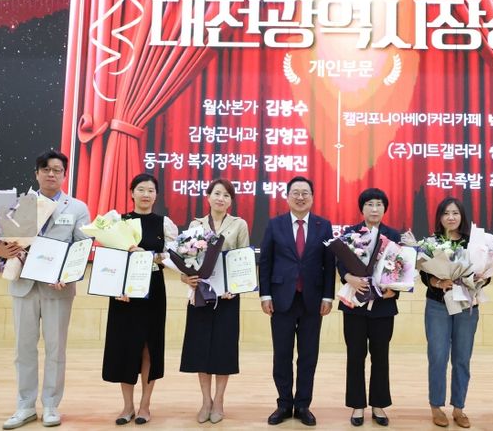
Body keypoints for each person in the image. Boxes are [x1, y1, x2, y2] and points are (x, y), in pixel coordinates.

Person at [0, 150, 90, 429]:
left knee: (56, 349)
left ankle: (50, 405)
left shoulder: (77, 208)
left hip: (58, 288)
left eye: (57, 170)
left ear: (64, 175)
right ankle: (24, 406)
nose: (51, 174)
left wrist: (67, 274)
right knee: (23, 349)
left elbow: (81, 247)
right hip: (24, 285)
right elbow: (1, 246)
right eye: (45, 169)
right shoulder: (18, 204)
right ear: (36, 173)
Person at [259, 176, 336, 426]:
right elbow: (266, 262)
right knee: (282, 354)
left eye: (305, 193)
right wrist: (265, 294)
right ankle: (284, 404)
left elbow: (329, 264)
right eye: (296, 193)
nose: (300, 197)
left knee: (308, 355)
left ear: (312, 197)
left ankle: (303, 405)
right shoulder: (275, 224)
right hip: (281, 299)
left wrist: (328, 296)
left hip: (312, 300)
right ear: (287, 196)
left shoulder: (323, 225)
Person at [101, 173, 177, 426]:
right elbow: (111, 260)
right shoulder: (118, 223)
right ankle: (127, 406)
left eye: (151, 190)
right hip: (123, 293)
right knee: (125, 346)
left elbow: (172, 258)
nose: (146, 194)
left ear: (156, 195)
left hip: (153, 291)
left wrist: (150, 256)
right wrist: (117, 287)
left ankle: (145, 405)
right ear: (131, 192)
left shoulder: (164, 223)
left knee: (149, 346)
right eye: (141, 189)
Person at [179, 179, 249, 424]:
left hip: (227, 297)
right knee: (200, 348)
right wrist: (186, 278)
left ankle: (219, 400)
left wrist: (235, 288)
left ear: (231, 201)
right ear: (208, 197)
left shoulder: (239, 224)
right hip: (200, 296)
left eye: (226, 195)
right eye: (217, 193)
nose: (221, 198)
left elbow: (243, 260)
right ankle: (205, 400)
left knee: (223, 349)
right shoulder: (195, 225)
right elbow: (187, 262)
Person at [337, 188, 400, 427]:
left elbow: (401, 267)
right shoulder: (350, 233)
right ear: (362, 208)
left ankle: (378, 404)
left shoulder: (393, 235)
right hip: (355, 304)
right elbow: (340, 263)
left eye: (379, 204)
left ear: (385, 209)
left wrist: (394, 289)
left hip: (383, 305)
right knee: (355, 355)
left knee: (380, 355)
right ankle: (357, 405)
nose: (374, 209)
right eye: (370, 204)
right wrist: (348, 278)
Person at [420, 197, 483, 429]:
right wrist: (438, 282)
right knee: (437, 356)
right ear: (439, 217)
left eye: (455, 213)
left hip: (466, 305)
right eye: (446, 213)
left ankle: (459, 408)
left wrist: (478, 279)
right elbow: (425, 274)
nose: (451, 217)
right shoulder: (431, 243)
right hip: (438, 305)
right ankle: (436, 406)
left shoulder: (473, 243)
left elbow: (483, 272)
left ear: (462, 216)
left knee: (462, 358)